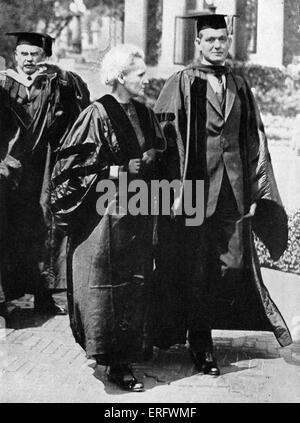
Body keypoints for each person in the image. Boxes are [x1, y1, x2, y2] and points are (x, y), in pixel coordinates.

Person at [153, 13, 292, 376]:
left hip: (232, 191)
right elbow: (164, 141)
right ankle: (202, 344)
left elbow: (252, 138)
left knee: (231, 266)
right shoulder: (181, 82)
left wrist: (252, 190)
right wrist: (174, 191)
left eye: (222, 39)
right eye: (210, 39)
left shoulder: (239, 84)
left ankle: (203, 329)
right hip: (195, 191)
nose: (217, 45)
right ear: (197, 43)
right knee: (196, 267)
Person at [51, 44, 166, 392]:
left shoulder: (145, 113)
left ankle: (126, 354)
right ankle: (113, 360)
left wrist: (153, 158)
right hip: (104, 216)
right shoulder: (96, 113)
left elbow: (159, 149)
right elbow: (70, 166)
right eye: (139, 74)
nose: (145, 80)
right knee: (106, 287)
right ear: (120, 77)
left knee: (134, 281)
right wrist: (117, 169)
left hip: (138, 211)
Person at [0, 32, 90, 316]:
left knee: (44, 231)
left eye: (34, 54)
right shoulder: (3, 82)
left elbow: (78, 109)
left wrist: (60, 75)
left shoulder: (55, 83)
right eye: (23, 54)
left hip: (43, 169)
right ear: (15, 55)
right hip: (9, 169)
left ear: (44, 57)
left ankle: (43, 295)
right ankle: (9, 296)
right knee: (9, 229)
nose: (28, 60)